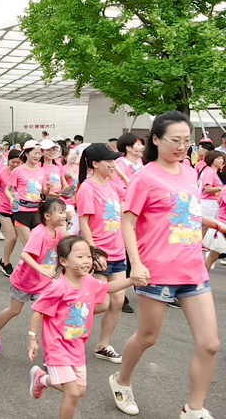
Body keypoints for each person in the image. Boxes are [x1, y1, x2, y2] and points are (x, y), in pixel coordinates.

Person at [109, 111, 222, 418]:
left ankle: (193, 408)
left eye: (187, 140)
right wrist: (135, 264)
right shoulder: (144, 177)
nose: (183, 146)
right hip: (156, 269)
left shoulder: (188, 170)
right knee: (148, 336)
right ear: (155, 140)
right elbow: (128, 223)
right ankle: (121, 380)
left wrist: (215, 223)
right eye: (175, 140)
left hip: (192, 268)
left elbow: (186, 212)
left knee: (210, 344)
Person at [28, 236, 146, 419]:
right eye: (80, 257)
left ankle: (41, 379)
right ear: (64, 261)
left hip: (77, 346)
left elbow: (109, 287)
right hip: (56, 345)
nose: (86, 261)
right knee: (73, 394)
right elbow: (38, 310)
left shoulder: (89, 281)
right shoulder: (58, 287)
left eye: (88, 257)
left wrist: (131, 281)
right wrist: (33, 338)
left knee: (80, 390)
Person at [0, 197, 65, 353]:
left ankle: (50, 353)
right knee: (14, 310)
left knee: (46, 312)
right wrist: (42, 270)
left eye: (64, 212)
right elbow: (25, 255)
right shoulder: (39, 233)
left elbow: (63, 255)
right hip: (25, 280)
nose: (64, 215)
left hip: (45, 283)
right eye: (60, 212)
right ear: (47, 216)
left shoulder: (59, 234)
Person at [75, 143, 128, 364]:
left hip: (118, 252)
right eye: (109, 161)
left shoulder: (112, 185)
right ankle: (65, 323)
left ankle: (103, 345)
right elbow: (84, 223)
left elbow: (131, 190)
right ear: (95, 164)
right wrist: (93, 253)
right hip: (100, 253)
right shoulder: (87, 188)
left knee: (118, 301)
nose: (114, 165)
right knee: (102, 303)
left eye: (115, 161)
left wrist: (118, 171)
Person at [5, 140, 48, 246]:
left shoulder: (42, 171)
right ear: (26, 153)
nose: (37, 156)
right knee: (29, 246)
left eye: (39, 153)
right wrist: (11, 199)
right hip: (22, 211)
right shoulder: (18, 171)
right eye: (35, 152)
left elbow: (45, 192)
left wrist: (49, 188)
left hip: (37, 211)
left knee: (37, 245)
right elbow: (7, 189)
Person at [0, 150, 22, 276]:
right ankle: (7, 263)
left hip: (17, 208)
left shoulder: (21, 172)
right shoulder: (1, 173)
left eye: (19, 163)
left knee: (15, 238)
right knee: (12, 236)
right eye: (13, 162)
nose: (16, 165)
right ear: (8, 161)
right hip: (3, 207)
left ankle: (3, 260)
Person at [200, 150, 225, 270]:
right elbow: (208, 189)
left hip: (214, 204)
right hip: (208, 203)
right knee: (204, 231)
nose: (221, 161)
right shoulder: (209, 172)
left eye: (222, 159)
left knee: (209, 233)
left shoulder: (216, 172)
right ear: (211, 159)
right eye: (218, 158)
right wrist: (221, 188)